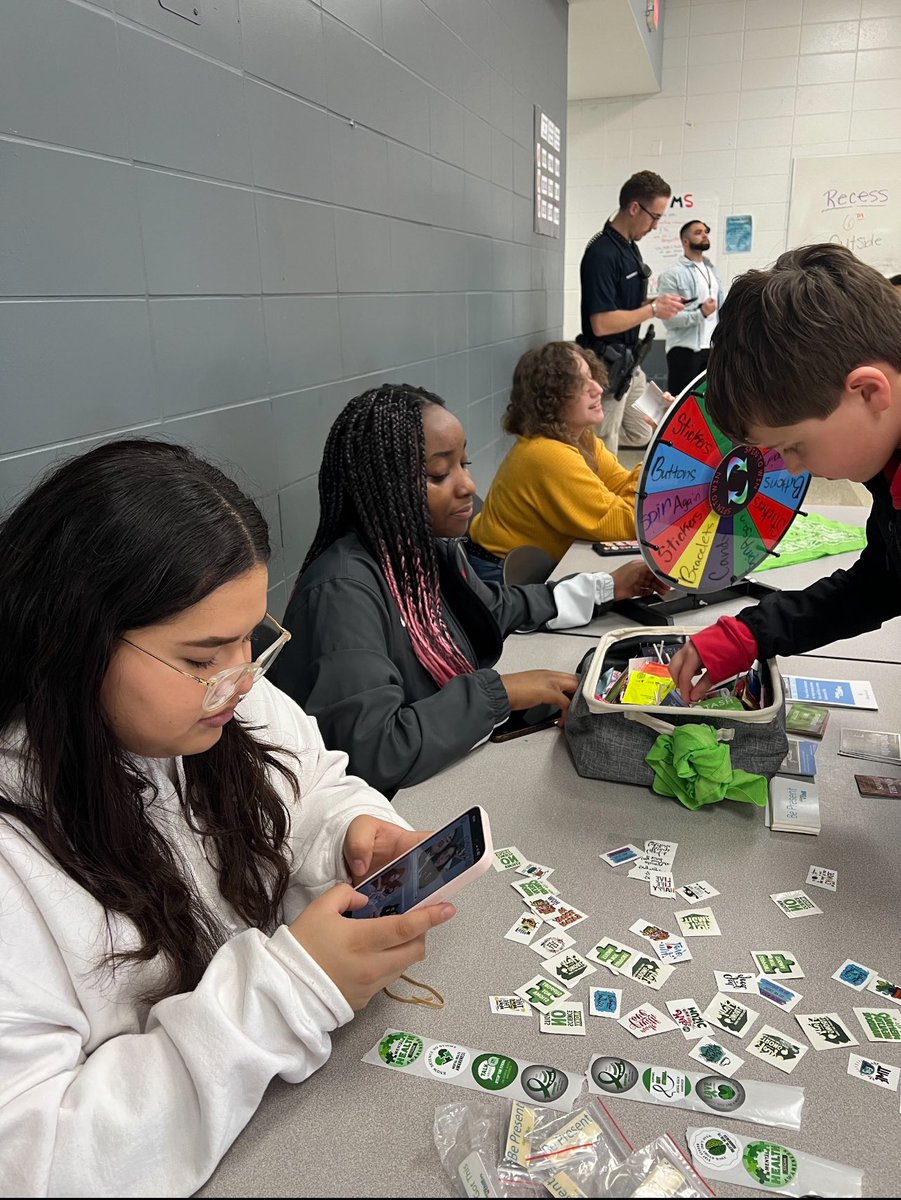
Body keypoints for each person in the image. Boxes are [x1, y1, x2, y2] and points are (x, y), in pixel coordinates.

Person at [0, 439, 454, 1197]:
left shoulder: (222, 705)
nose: (239, 679)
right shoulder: (19, 854)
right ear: (72, 641)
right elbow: (38, 1163)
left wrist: (349, 832)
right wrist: (287, 994)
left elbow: (309, 783)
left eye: (250, 637)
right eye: (204, 655)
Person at [272, 384, 668, 797]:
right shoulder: (342, 593)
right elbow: (374, 751)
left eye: (465, 463)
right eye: (439, 474)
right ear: (381, 485)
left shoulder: (420, 555)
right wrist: (500, 692)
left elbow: (492, 608)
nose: (467, 486)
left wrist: (606, 588)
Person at [667, 244, 901, 704]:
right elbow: (882, 583)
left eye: (794, 446)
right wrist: (750, 634)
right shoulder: (885, 459)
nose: (792, 466)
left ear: (870, 392)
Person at [468, 341, 643, 571]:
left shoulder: (581, 439)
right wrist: (660, 457)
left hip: (518, 564)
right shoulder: (548, 454)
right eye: (580, 384)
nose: (598, 389)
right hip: (502, 577)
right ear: (550, 399)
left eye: (592, 376)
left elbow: (622, 485)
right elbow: (626, 523)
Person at [575, 169, 685, 455]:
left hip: (630, 365)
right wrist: (652, 309)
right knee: (604, 446)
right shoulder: (602, 253)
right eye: (655, 217)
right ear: (635, 208)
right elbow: (601, 322)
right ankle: (597, 484)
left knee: (645, 428)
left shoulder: (630, 249)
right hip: (607, 369)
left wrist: (657, 302)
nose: (656, 226)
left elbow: (624, 303)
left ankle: (589, 441)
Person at [657, 219, 726, 397]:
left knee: (709, 404)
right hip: (685, 350)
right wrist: (701, 313)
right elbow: (670, 320)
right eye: (698, 232)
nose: (704, 235)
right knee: (682, 404)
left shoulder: (712, 270)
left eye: (705, 231)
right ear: (685, 241)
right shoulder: (672, 275)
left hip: (711, 349)